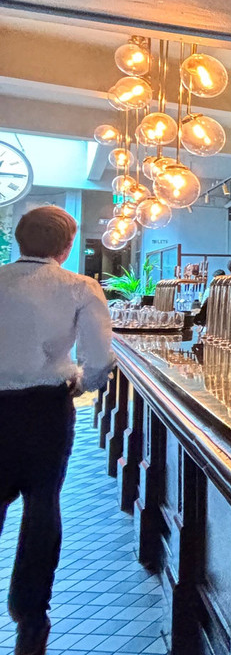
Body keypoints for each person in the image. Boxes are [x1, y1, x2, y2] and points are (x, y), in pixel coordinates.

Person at [0, 206, 113, 655]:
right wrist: (80, 384)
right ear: (67, 246)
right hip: (46, 411)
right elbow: (98, 361)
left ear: (18, 239)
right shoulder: (81, 287)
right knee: (42, 506)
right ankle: (31, 619)